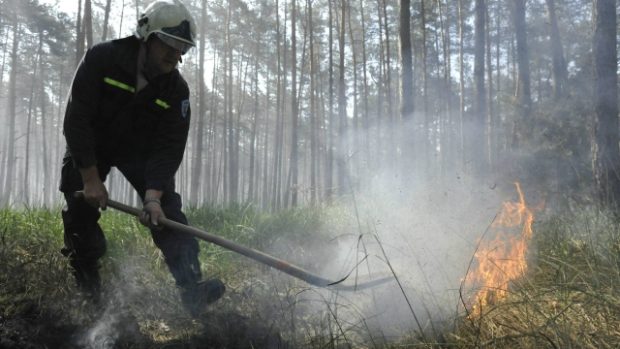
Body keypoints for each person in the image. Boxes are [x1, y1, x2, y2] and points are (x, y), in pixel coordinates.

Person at [59, 0, 224, 316]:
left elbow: (168, 149)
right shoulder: (102, 59)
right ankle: (90, 300)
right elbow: (76, 119)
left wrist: (153, 199)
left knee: (170, 217)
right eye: (171, 44)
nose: (176, 55)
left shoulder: (177, 92)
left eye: (183, 49)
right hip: (91, 147)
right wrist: (91, 180)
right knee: (81, 215)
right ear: (147, 36)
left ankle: (192, 290)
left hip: (141, 154)